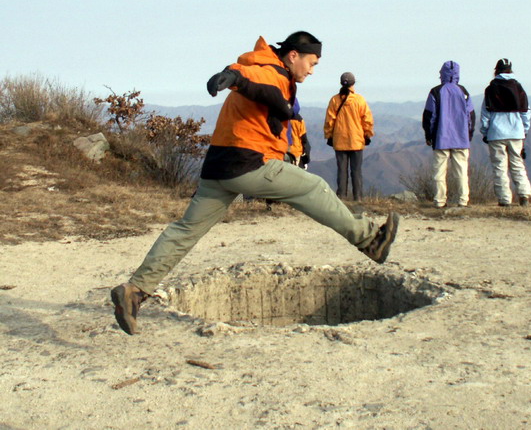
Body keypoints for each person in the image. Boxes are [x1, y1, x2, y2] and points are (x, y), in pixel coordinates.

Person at [110, 32, 399, 335]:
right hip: (247, 163)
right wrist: (232, 76)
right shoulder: (272, 72)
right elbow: (254, 80)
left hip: (218, 166)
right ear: (294, 56)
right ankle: (370, 240)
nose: (312, 70)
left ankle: (134, 290)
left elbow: (259, 89)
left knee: (186, 230)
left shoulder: (271, 71)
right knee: (314, 187)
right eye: (312, 63)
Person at [480, 58, 531, 207]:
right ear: (510, 70)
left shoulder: (491, 89)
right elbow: (526, 112)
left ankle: (504, 200)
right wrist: (524, 130)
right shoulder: (518, 87)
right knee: (517, 164)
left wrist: (485, 132)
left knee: (499, 167)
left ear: (496, 70)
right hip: (516, 132)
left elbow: (485, 114)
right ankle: (524, 195)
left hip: (496, 133)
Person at [422, 61, 475, 208]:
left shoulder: (435, 92)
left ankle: (440, 200)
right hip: (461, 138)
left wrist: (429, 135)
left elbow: (429, 116)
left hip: (441, 138)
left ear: (442, 74)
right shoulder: (463, 91)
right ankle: (463, 200)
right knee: (461, 171)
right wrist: (469, 135)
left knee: (439, 172)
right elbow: (470, 116)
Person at [324, 72, 374, 201]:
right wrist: (367, 134)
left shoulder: (334, 100)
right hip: (356, 140)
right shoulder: (359, 100)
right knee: (356, 171)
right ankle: (358, 197)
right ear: (353, 83)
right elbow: (367, 119)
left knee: (342, 170)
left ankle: (341, 197)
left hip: (339, 140)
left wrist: (329, 135)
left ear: (341, 83)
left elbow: (330, 121)